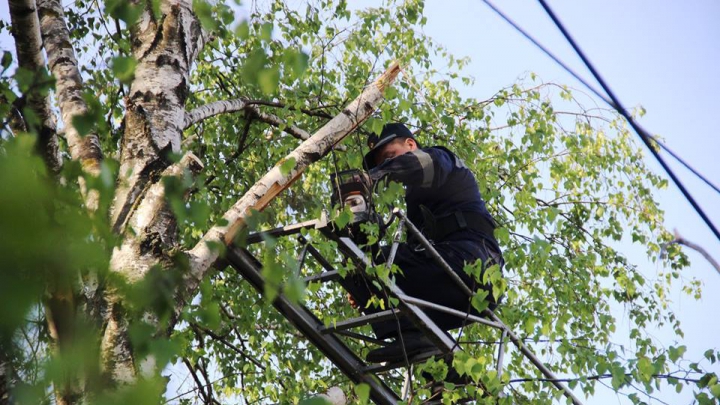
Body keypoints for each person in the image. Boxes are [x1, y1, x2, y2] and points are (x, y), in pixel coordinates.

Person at [340, 122, 504, 365]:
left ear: (410, 144)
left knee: (374, 267)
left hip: (473, 263)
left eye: (389, 157)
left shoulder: (440, 159)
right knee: (361, 270)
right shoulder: (415, 208)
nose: (386, 166)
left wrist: (372, 176)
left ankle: (417, 340)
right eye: (380, 164)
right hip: (456, 284)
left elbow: (420, 165)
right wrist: (362, 281)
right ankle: (448, 377)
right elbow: (401, 266)